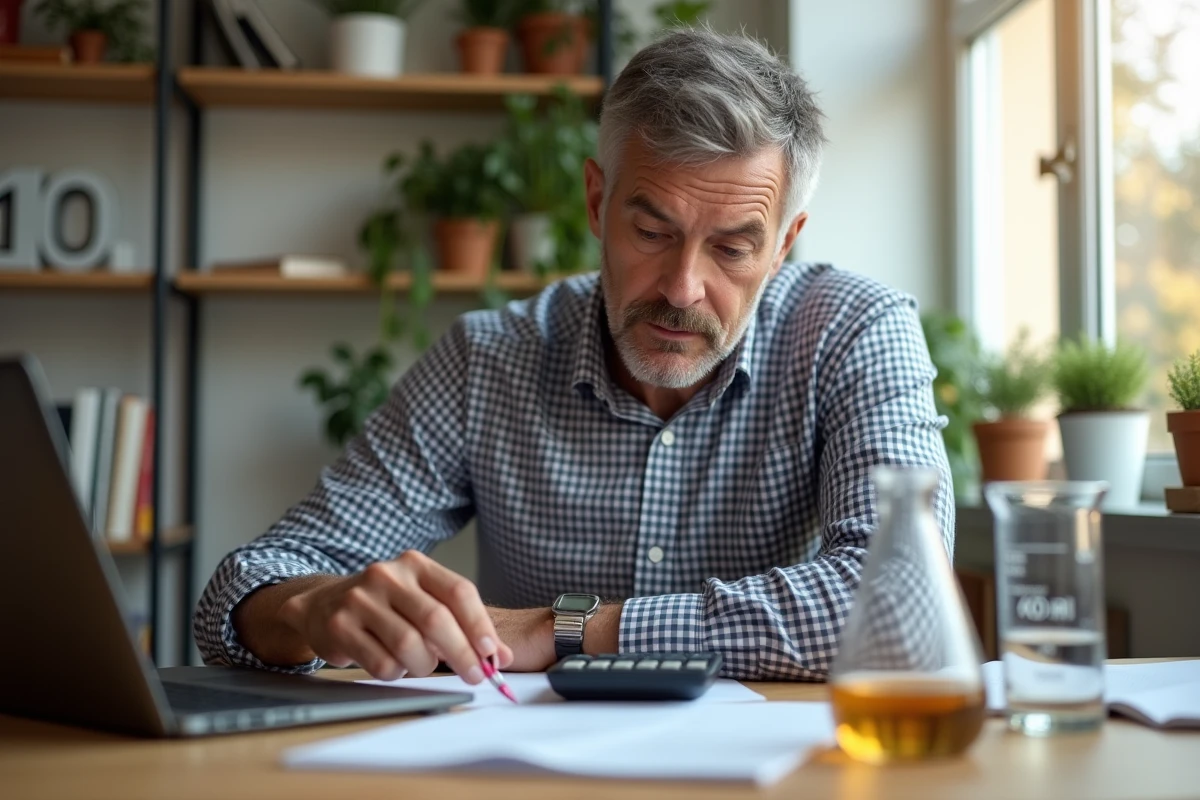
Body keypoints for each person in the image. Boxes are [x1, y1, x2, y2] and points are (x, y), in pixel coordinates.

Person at [194, 28, 953, 687]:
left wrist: (565, 630)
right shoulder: (487, 361)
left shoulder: (854, 332)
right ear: (596, 201)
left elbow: (903, 600)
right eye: (652, 232)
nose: (684, 289)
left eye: (733, 247)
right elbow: (244, 586)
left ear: (785, 243)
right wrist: (311, 608)